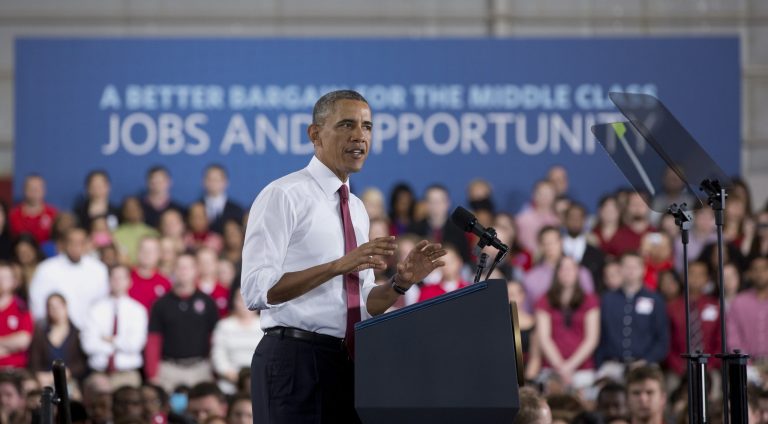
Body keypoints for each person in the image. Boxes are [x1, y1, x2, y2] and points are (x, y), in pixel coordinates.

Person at [241, 90, 446, 424]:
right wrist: (339, 265)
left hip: (347, 363)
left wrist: (400, 283)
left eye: (367, 126)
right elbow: (256, 290)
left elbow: (363, 303)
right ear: (315, 134)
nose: (359, 136)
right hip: (294, 362)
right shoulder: (283, 195)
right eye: (347, 124)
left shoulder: (357, 208)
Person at [145, 254, 219, 393]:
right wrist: (152, 374)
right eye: (179, 267)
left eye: (188, 267)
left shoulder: (208, 302)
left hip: (200, 369)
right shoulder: (160, 304)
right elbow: (153, 340)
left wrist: (213, 371)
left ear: (196, 270)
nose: (184, 270)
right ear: (173, 271)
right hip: (169, 370)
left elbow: (214, 339)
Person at [595, 253, 669, 372]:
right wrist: (599, 364)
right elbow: (600, 335)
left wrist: (646, 361)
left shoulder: (655, 299)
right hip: (612, 364)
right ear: (620, 270)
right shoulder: (607, 299)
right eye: (627, 267)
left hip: (646, 364)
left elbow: (662, 339)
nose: (631, 271)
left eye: (635, 267)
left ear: (643, 270)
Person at [535, 256, 600, 389]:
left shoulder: (590, 300)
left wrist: (569, 367)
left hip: (583, 368)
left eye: (571, 268)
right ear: (557, 272)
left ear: (577, 272)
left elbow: (592, 339)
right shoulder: (544, 300)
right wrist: (561, 367)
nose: (567, 272)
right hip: (551, 368)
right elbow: (544, 338)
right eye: (562, 268)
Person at [81, 265, 148, 388]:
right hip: (99, 373)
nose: (117, 281)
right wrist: (121, 343)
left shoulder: (138, 310)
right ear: (109, 281)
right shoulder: (95, 309)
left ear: (129, 281)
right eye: (114, 277)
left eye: (121, 278)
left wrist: (110, 339)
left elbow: (136, 345)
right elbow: (88, 345)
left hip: (128, 374)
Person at [29, 228, 109, 329]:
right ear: (63, 244)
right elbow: (37, 304)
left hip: (90, 330)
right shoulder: (46, 269)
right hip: (56, 332)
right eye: (72, 242)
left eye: (81, 242)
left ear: (87, 244)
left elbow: (102, 303)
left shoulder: (99, 269)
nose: (76, 246)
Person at [666, 260, 721, 377]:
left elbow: (720, 340)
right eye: (691, 273)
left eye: (701, 274)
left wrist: (710, 365)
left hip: (709, 368)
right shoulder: (671, 307)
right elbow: (666, 341)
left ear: (707, 279)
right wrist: (678, 366)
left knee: (717, 389)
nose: (696, 278)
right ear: (683, 277)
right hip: (678, 369)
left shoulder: (715, 306)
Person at [523, 226, 594, 311]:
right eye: (545, 243)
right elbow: (527, 310)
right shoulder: (531, 278)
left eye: (554, 241)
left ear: (562, 242)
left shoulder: (581, 272)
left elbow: (590, 305)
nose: (550, 246)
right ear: (540, 246)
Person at [28, 294, 88, 386]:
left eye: (58, 306)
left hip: (71, 380)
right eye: (51, 306)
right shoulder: (40, 334)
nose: (55, 310)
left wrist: (68, 372)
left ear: (65, 307)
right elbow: (34, 361)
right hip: (44, 381)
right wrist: (40, 375)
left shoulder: (77, 334)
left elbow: (82, 363)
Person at [407, 184, 470, 263]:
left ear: (448, 203)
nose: (435, 206)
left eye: (439, 201)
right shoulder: (414, 229)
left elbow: (465, 260)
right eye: (431, 201)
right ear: (425, 204)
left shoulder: (458, 231)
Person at [728, 256, 768, 363]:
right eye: (755, 269)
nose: (760, 273)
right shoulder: (738, 302)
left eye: (764, 269)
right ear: (749, 274)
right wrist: (748, 366)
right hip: (747, 366)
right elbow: (733, 339)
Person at [563, 203, 606, 290]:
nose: (575, 220)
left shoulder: (596, 253)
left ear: (584, 221)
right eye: (571, 217)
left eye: (579, 217)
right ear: (565, 220)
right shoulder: (556, 250)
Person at [0, 263, 33, 368]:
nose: (0, 281)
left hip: (15, 370)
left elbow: (23, 340)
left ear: (14, 282)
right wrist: (10, 345)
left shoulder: (21, 308)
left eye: (4, 277)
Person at [8, 174, 57, 245]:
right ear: (24, 190)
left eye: (37, 189)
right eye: (30, 188)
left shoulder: (53, 214)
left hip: (46, 255)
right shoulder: (13, 215)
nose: (34, 192)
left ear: (44, 190)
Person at [507, 279, 541, 381]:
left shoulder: (533, 322)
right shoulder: (498, 323)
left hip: (526, 375)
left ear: (523, 295)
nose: (512, 298)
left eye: (515, 294)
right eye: (509, 294)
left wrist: (528, 380)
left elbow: (535, 356)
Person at [516, 180, 560, 254]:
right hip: (527, 260)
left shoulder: (558, 221)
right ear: (534, 195)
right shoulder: (522, 219)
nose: (545, 197)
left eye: (548, 193)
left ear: (554, 196)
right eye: (541, 193)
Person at [129, 236, 172, 312]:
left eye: (151, 251)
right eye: (144, 250)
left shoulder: (165, 283)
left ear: (159, 255)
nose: (147, 254)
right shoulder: (126, 278)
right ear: (137, 252)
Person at [113, 196, 160, 265]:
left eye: (135, 208)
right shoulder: (116, 234)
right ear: (123, 212)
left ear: (141, 210)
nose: (132, 211)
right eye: (128, 209)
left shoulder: (153, 233)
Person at [201, 164, 244, 235]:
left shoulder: (237, 210)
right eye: (210, 179)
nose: (213, 183)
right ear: (203, 182)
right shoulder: (196, 208)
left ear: (226, 182)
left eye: (217, 180)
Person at [196, 247, 229, 317]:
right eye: (202, 262)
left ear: (216, 264)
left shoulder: (225, 290)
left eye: (209, 262)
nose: (206, 265)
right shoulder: (192, 289)